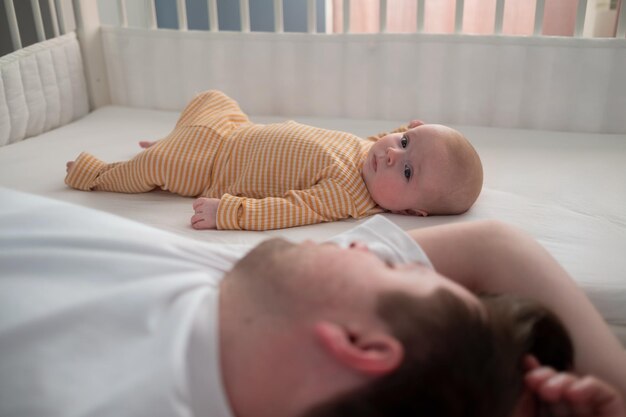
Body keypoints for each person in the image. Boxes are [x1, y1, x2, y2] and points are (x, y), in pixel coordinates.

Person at [1, 188, 624, 417]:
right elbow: (498, 245)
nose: (363, 243)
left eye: (396, 272)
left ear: (358, 344)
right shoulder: (242, 293)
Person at [64, 90, 483, 230]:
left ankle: (94, 173)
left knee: (163, 168)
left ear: (412, 210)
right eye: (406, 141)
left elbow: (286, 211)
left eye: (408, 170)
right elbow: (389, 143)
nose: (393, 154)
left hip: (211, 166)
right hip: (236, 128)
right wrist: (409, 133)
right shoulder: (371, 150)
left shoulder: (349, 196)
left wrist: (227, 212)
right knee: (213, 97)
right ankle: (174, 140)